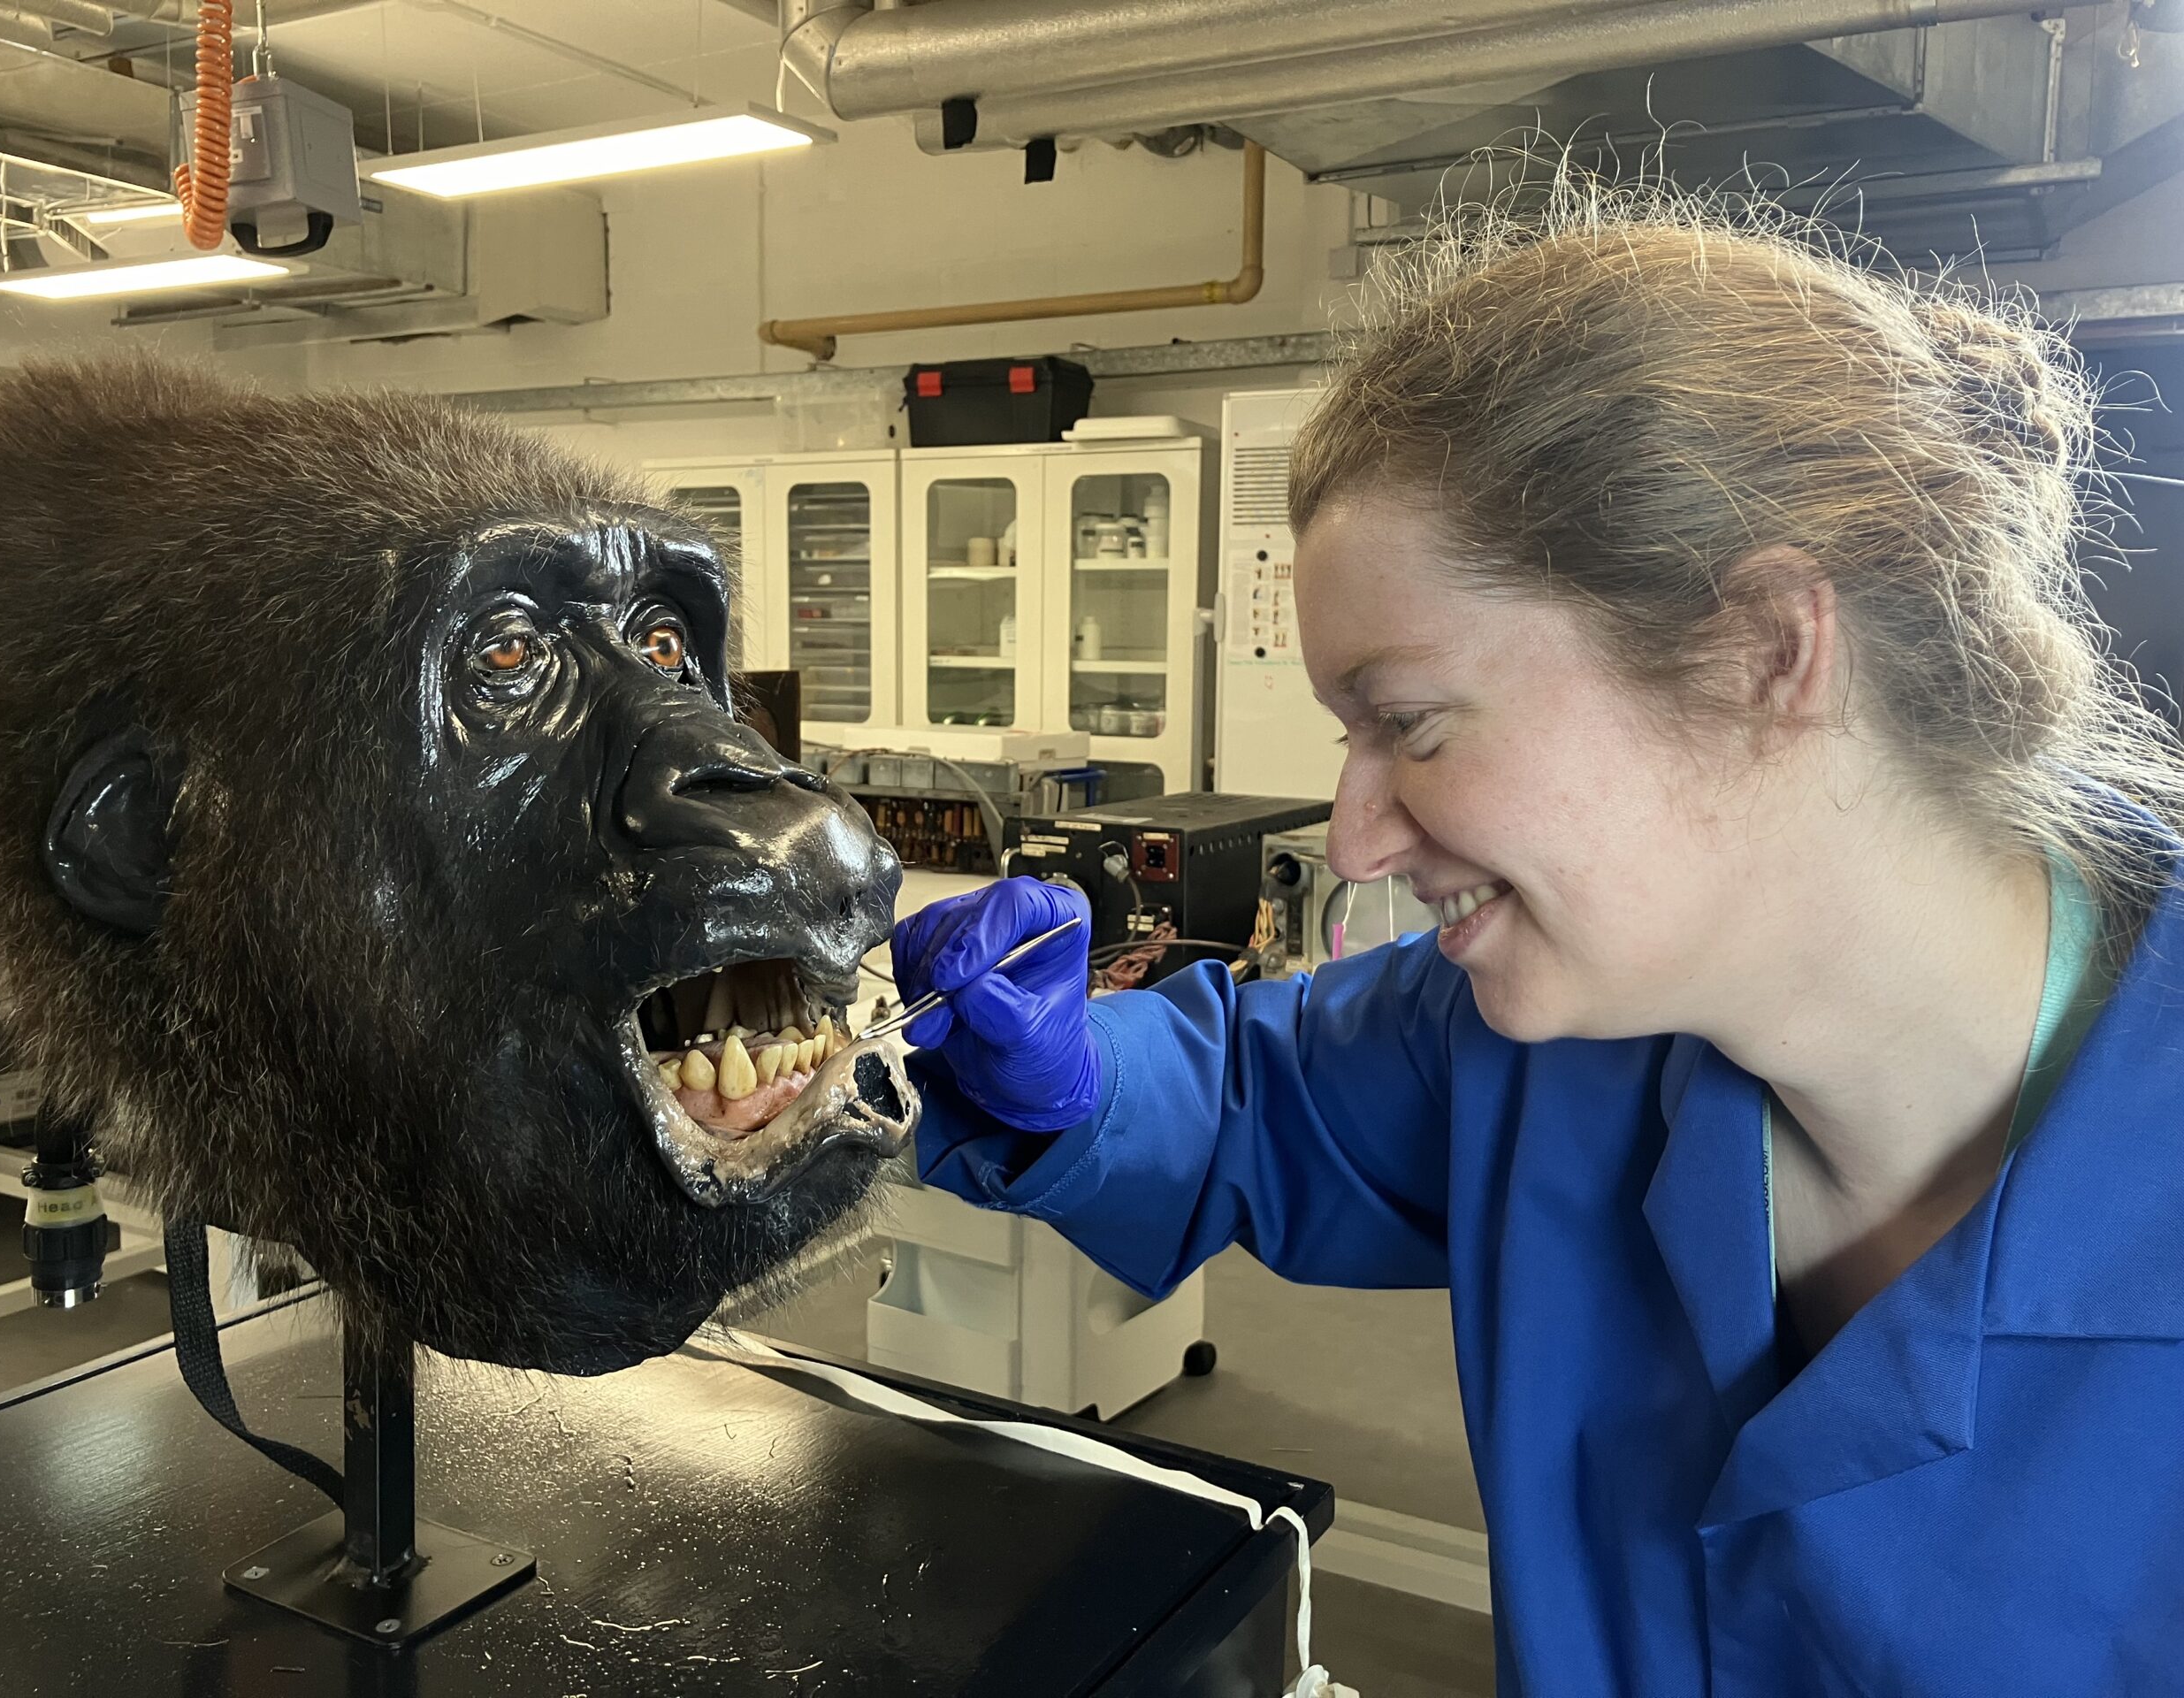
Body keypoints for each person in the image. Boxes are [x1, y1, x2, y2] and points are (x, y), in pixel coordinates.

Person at [890, 187, 2184, 1697]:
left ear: (1763, 650)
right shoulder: (1545, 1037)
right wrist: (1068, 1073)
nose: (1356, 838)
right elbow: (1256, 1091)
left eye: (1411, 723)